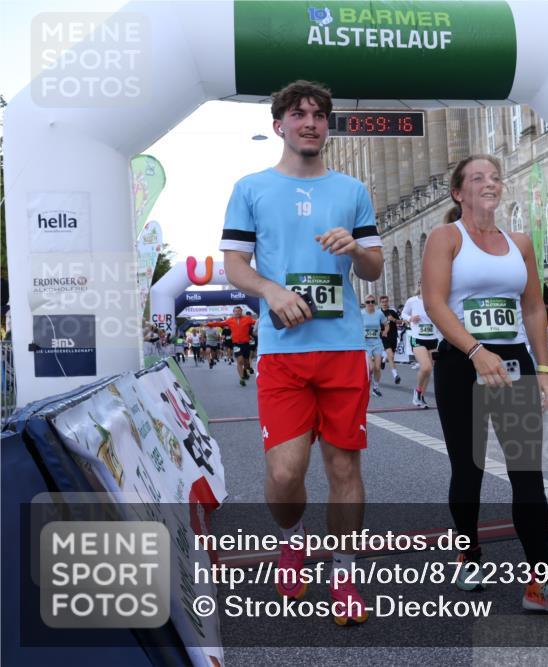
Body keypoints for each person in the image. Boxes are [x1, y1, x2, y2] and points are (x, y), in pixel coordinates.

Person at [218, 80, 382, 625]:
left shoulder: (352, 189)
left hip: (340, 347)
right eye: (298, 114)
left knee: (343, 466)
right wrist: (271, 291)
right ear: (279, 125)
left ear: (326, 125)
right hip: (282, 351)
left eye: (318, 115)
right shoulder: (251, 187)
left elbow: (374, 267)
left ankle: (344, 571)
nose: (310, 122)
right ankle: (291, 538)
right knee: (287, 473)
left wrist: (357, 248)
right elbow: (235, 264)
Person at [423, 154, 548, 612]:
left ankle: (539, 585)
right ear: (459, 192)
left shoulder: (520, 243)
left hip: (512, 362)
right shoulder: (445, 237)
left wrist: (544, 369)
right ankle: (469, 553)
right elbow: (435, 304)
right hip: (461, 361)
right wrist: (475, 350)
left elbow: (533, 308)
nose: (489, 183)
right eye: (477, 178)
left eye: (494, 177)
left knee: (527, 475)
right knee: (467, 470)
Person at [401, 283, 438, 407]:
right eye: (423, 283)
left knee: (428, 371)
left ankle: (420, 397)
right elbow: (403, 314)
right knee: (426, 367)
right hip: (417, 338)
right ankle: (417, 391)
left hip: (433, 338)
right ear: (419, 285)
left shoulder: (434, 299)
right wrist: (411, 318)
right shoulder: (412, 300)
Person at [205, 307, 256, 386]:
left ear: (241, 312)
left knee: (246, 363)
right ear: (233, 312)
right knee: (239, 361)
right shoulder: (230, 320)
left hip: (245, 344)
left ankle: (245, 370)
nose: (237, 312)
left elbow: (256, 322)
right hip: (236, 344)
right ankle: (242, 378)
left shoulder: (247, 319)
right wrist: (208, 324)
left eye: (239, 311)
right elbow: (220, 323)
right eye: (235, 311)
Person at [361, 295, 388, 397]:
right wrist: (360, 333)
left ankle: (375, 388)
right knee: (371, 367)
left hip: (377, 343)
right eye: (368, 302)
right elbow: (355, 325)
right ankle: (366, 384)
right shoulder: (361, 314)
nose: (370, 304)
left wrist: (385, 331)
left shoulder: (379, 313)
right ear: (365, 303)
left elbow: (386, 324)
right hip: (365, 343)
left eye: (372, 301)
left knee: (377, 367)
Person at [379, 295, 402, 384]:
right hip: (384, 337)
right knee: (391, 356)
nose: (384, 303)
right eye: (382, 302)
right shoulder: (378, 314)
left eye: (386, 302)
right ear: (380, 303)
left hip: (393, 336)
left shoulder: (392, 312)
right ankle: (395, 375)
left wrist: (393, 320)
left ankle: (383, 359)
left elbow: (400, 322)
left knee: (390, 355)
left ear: (388, 302)